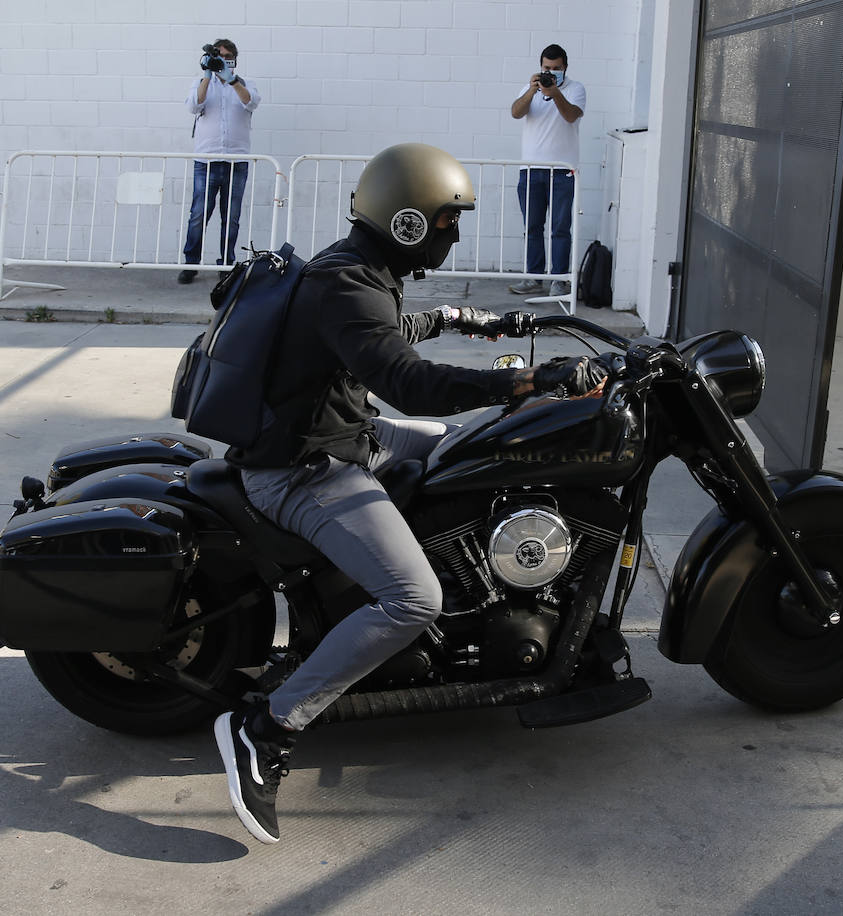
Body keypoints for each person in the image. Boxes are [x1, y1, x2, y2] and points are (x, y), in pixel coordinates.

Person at [213, 142, 607, 844]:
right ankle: (267, 726)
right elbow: (406, 378)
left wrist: (477, 322)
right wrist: (524, 381)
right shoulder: (347, 283)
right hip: (303, 469)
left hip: (350, 437)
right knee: (410, 598)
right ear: (408, 223)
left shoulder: (361, 270)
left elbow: (389, 331)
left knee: (480, 450)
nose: (452, 233)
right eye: (446, 220)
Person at [178, 39, 261, 284]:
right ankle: (190, 263)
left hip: (237, 160)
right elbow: (194, 106)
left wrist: (232, 80)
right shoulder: (202, 83)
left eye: (226, 56)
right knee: (198, 215)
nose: (221, 60)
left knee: (231, 216)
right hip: (207, 159)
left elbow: (252, 102)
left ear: (234, 59)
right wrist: (206, 75)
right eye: (218, 56)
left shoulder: (245, 84)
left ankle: (226, 264)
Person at [509, 43, 586, 299]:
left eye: (556, 69)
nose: (551, 73)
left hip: (563, 172)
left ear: (565, 67)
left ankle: (558, 280)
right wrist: (532, 91)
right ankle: (533, 278)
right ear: (540, 67)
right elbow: (516, 113)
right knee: (532, 227)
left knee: (561, 228)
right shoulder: (530, 88)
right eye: (546, 68)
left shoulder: (575, 89)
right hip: (531, 171)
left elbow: (571, 116)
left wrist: (555, 93)